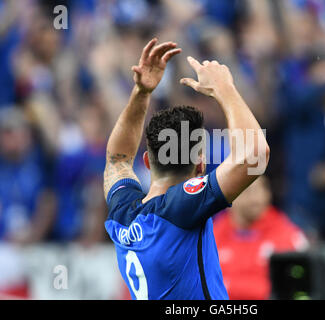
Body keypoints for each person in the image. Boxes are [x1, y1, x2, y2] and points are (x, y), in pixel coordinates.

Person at [103, 38, 270, 300]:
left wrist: (141, 93)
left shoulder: (122, 213)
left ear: (147, 162)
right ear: (200, 166)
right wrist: (225, 89)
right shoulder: (182, 208)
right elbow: (255, 157)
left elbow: (118, 159)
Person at [214, 176, 308, 300]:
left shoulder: (290, 236)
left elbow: (301, 290)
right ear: (229, 196)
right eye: (247, 191)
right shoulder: (212, 237)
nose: (255, 198)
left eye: (261, 190)